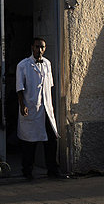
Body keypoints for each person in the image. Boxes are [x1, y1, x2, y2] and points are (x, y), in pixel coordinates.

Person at [16, 37, 67, 180]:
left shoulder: (47, 64)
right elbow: (20, 87)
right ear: (32, 47)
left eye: (43, 47)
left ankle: (53, 169)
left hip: (46, 109)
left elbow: (49, 86)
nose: (40, 50)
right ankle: (27, 171)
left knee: (51, 139)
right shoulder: (23, 65)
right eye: (37, 47)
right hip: (31, 107)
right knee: (29, 142)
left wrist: (51, 106)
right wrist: (22, 105)